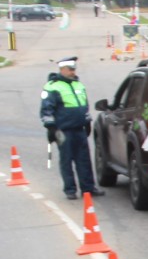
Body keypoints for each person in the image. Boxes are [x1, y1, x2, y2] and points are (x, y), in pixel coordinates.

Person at [40, 57, 105, 200]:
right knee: (66, 160)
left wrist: (87, 122)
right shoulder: (52, 86)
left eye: (74, 69)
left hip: (79, 130)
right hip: (63, 131)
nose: (72, 72)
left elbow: (84, 106)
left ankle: (88, 188)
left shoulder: (78, 85)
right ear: (62, 69)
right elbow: (46, 110)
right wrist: (50, 128)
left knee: (84, 160)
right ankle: (70, 189)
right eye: (70, 69)